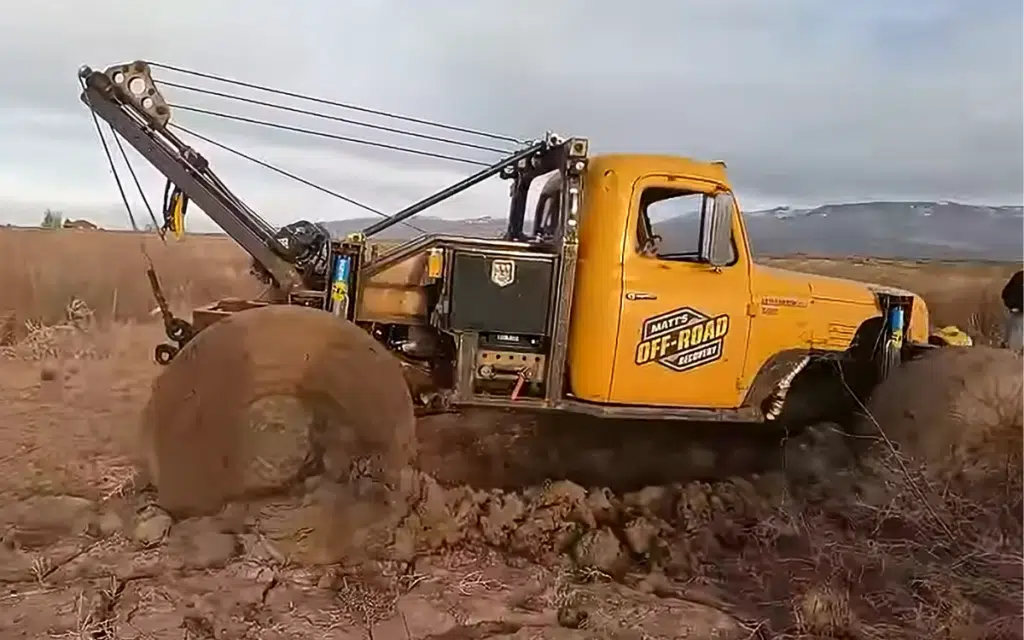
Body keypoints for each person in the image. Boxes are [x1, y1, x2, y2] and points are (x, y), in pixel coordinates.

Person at [1001, 269, 1023, 352]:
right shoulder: (1018, 276)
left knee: (1010, 330)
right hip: (1018, 310)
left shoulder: (1018, 275)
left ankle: (1006, 346)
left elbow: (1004, 293)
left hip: (1013, 309)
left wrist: (1010, 305)